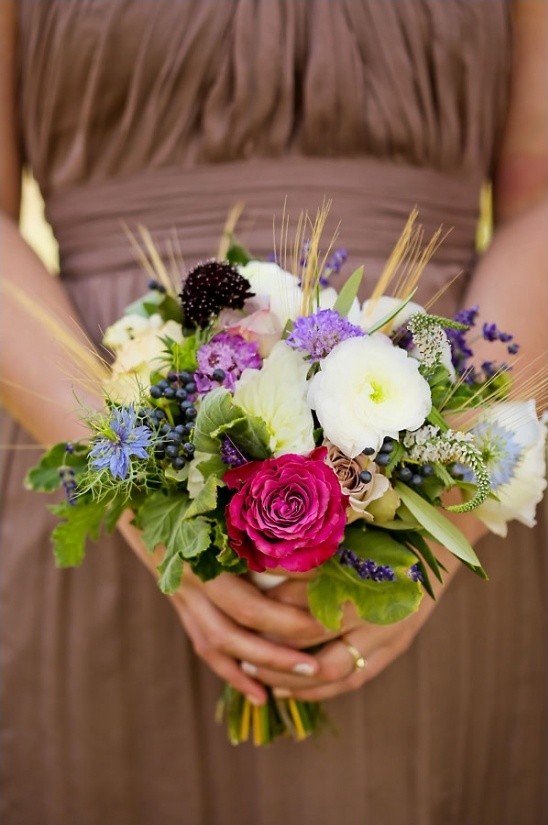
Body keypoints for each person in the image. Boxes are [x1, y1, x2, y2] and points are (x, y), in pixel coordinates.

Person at [1, 2, 546, 824]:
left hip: (430, 481)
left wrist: (450, 496)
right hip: (93, 468)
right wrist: (131, 479)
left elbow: (540, 198)